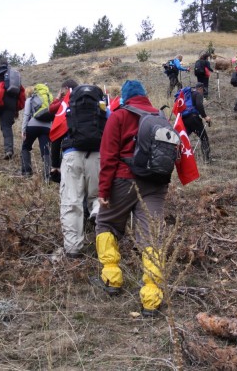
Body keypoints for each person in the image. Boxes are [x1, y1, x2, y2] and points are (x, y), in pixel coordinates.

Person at [92, 80, 171, 317]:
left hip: (123, 181)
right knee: (151, 237)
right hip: (155, 184)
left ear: (125, 97)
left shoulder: (118, 116)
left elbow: (108, 157)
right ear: (145, 96)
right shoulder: (160, 116)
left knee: (105, 223)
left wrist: (103, 190)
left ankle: (112, 279)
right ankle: (152, 299)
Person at [59, 83, 107, 258]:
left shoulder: (69, 109)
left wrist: (56, 164)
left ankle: (73, 249)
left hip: (72, 155)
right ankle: (97, 214)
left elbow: (56, 134)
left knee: (72, 201)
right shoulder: (102, 110)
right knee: (98, 197)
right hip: (97, 156)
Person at [20, 83, 53, 179]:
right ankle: (47, 175)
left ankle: (27, 172)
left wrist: (23, 130)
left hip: (33, 125)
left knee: (26, 147)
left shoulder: (30, 99)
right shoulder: (48, 99)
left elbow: (26, 115)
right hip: (47, 127)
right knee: (46, 150)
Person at [48, 79, 77, 183]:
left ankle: (55, 167)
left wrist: (57, 98)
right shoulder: (81, 99)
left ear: (66, 89)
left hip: (65, 130)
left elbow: (51, 109)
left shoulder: (64, 101)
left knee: (56, 139)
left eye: (62, 89)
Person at [182, 83, 212, 164]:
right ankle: (206, 159)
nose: (203, 92)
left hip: (184, 119)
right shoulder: (197, 94)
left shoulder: (187, 95)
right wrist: (205, 117)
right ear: (200, 88)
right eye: (203, 90)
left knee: (183, 139)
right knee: (204, 138)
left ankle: (178, 158)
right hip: (194, 118)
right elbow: (199, 105)